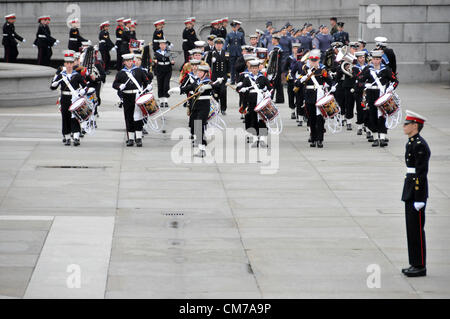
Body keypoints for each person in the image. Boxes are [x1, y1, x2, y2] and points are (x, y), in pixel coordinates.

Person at [169, 64, 222, 157]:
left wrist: (208, 87)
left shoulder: (208, 82)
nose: (198, 73)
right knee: (194, 126)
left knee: (199, 126)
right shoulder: (197, 82)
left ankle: (202, 150)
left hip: (204, 107)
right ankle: (200, 147)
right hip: (195, 107)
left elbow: (215, 87)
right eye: (198, 71)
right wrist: (176, 90)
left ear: (205, 74)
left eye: (200, 72)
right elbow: (187, 88)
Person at [401, 110, 431, 277]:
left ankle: (420, 265)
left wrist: (419, 198)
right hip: (410, 189)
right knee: (411, 230)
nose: (404, 126)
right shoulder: (411, 142)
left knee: (417, 230)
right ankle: (414, 263)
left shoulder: (419, 145)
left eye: (406, 124)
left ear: (415, 126)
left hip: (416, 191)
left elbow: (421, 173)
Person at [355, 50, 398, 147]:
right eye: (374, 59)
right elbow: (358, 81)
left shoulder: (386, 70)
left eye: (377, 59)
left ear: (380, 60)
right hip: (371, 94)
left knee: (382, 115)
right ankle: (375, 137)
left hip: (382, 94)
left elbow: (395, 81)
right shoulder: (367, 69)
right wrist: (365, 84)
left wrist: (391, 88)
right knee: (372, 115)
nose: (375, 61)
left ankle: (382, 137)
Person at [295, 49, 335, 148]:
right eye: (312, 60)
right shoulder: (305, 70)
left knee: (320, 119)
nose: (314, 62)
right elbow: (297, 83)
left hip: (320, 95)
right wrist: (304, 78)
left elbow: (330, 81)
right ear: (309, 61)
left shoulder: (322, 71)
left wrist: (332, 86)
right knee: (311, 119)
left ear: (318, 61)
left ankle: (320, 139)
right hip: (309, 95)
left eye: (315, 61)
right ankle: (313, 139)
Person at [112, 53, 151, 147]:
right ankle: (130, 138)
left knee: (138, 117)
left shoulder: (139, 71)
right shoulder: (121, 73)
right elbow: (114, 84)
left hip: (137, 95)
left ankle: (138, 138)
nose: (129, 63)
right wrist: (119, 86)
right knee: (128, 117)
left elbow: (146, 81)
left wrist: (148, 86)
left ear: (132, 61)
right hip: (127, 96)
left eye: (130, 61)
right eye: (127, 61)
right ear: (124, 62)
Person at [50, 50, 87, 146]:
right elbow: (52, 87)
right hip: (65, 98)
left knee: (75, 117)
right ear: (65, 64)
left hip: (74, 98)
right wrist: (54, 84)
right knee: (65, 117)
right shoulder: (61, 75)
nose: (69, 65)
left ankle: (75, 137)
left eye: (71, 63)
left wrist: (84, 90)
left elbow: (85, 85)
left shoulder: (77, 75)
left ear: (73, 63)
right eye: (67, 63)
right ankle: (66, 137)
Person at [238, 59, 272, 148]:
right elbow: (240, 89)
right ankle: (255, 139)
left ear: (258, 69)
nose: (254, 70)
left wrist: (268, 93)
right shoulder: (247, 78)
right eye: (252, 68)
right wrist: (242, 89)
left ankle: (262, 140)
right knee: (252, 120)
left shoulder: (262, 78)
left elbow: (270, 88)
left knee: (262, 120)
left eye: (255, 68)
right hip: (251, 102)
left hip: (261, 102)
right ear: (250, 69)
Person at [206, 37, 230, 115]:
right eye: (217, 44)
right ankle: (215, 108)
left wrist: (228, 77)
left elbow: (228, 66)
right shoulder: (211, 53)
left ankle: (223, 108)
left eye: (220, 44)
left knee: (223, 92)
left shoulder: (226, 53)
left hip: (223, 77)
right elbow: (207, 65)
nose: (218, 46)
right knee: (215, 93)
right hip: (214, 77)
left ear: (222, 45)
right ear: (215, 45)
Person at [154, 39, 175, 108]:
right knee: (160, 84)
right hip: (159, 69)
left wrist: (172, 62)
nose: (163, 46)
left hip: (167, 69)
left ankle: (165, 101)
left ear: (166, 45)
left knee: (166, 85)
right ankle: (161, 101)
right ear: (159, 45)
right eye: (161, 44)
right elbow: (154, 59)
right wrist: (155, 61)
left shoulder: (169, 52)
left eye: (164, 44)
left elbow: (172, 60)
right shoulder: (157, 52)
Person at [352, 51, 369, 136]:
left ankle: (366, 125)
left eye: (363, 57)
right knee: (359, 108)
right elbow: (355, 77)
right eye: (360, 58)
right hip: (358, 90)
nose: (361, 59)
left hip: (366, 90)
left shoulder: (368, 67)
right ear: (357, 59)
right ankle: (359, 126)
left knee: (366, 108)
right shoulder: (355, 67)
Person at [268, 34, 284, 104]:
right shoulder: (277, 48)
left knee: (273, 82)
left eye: (273, 39)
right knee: (278, 84)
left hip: (276, 68)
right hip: (278, 68)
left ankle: (271, 97)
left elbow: (274, 61)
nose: (272, 41)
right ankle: (280, 99)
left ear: (275, 40)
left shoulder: (277, 49)